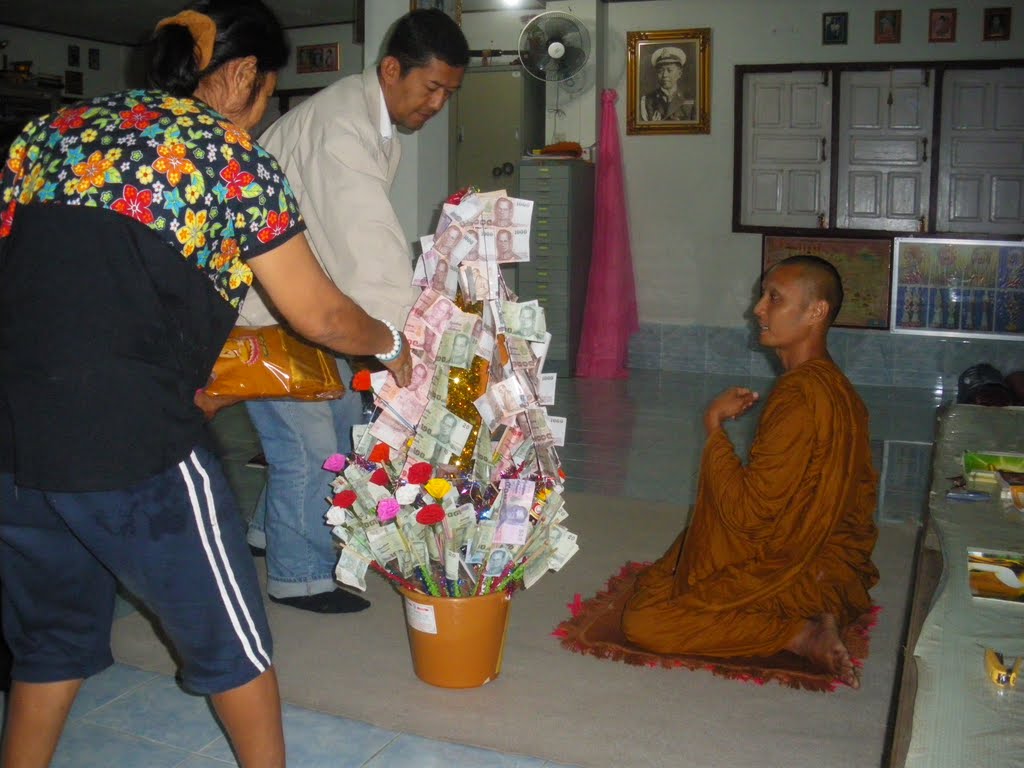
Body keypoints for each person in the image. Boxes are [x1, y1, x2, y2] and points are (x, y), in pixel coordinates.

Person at [0, 1, 413, 766]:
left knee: (50, 644)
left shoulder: (46, 133)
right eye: (266, 96)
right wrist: (389, 341)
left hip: (13, 436)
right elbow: (318, 312)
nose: (259, 116)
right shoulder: (225, 153)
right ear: (244, 76)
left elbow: (74, 285)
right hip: (132, 445)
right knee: (235, 645)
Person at [236, 9, 468, 614]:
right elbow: (365, 241)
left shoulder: (365, 118)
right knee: (307, 447)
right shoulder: (341, 128)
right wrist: (405, 342)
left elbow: (349, 239)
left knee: (337, 424)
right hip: (262, 314)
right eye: (432, 87)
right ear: (391, 70)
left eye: (449, 92)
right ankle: (298, 575)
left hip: (301, 305)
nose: (438, 104)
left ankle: (266, 531)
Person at [621, 256, 879, 689]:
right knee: (678, 558)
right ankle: (823, 608)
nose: (758, 309)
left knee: (647, 619)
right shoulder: (839, 389)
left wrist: (714, 427)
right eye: (763, 296)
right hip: (835, 569)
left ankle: (799, 634)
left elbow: (747, 516)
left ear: (816, 312)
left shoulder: (798, 397)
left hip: (790, 566)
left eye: (774, 298)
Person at [639, 46, 695, 122]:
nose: (665, 75)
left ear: (679, 73)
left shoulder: (690, 98)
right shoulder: (647, 100)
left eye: (669, 70)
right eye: (660, 71)